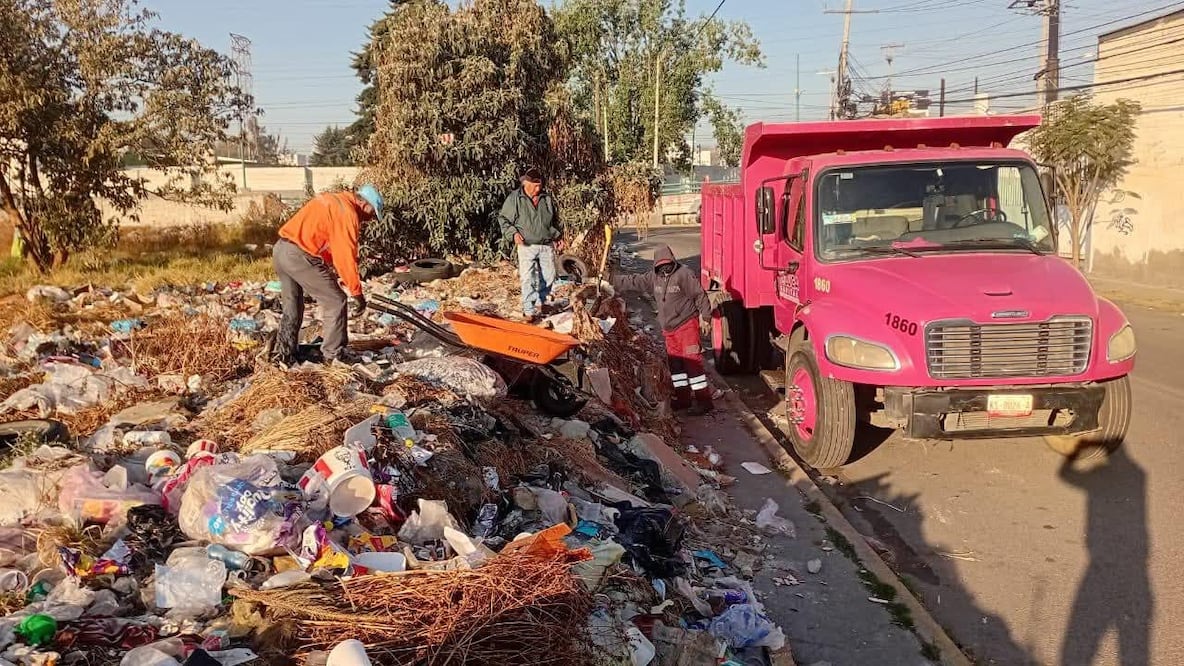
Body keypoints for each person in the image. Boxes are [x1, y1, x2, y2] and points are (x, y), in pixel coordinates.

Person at [271, 184, 383, 365]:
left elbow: (324, 241)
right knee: (336, 301)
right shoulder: (348, 213)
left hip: (281, 249)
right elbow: (345, 255)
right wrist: (357, 293)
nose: (369, 220)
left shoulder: (333, 199)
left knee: (292, 305)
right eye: (372, 214)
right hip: (300, 256)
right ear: (365, 205)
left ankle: (284, 353)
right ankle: (333, 355)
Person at [611, 245, 716, 415]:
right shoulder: (654, 277)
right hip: (669, 329)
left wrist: (706, 317)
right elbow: (635, 281)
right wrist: (612, 280)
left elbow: (699, 295)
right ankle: (683, 399)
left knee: (693, 364)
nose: (665, 269)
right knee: (676, 365)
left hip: (686, 325)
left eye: (667, 265)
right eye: (660, 266)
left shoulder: (684, 274)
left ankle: (704, 401)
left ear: (673, 262)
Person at [498, 168, 562, 320]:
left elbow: (553, 221)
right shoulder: (515, 199)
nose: (538, 189)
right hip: (526, 245)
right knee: (528, 278)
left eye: (539, 185)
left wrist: (558, 236)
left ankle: (542, 301)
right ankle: (529, 310)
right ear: (526, 184)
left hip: (546, 244)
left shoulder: (546, 199)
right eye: (535, 186)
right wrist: (513, 233)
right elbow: (503, 219)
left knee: (550, 275)